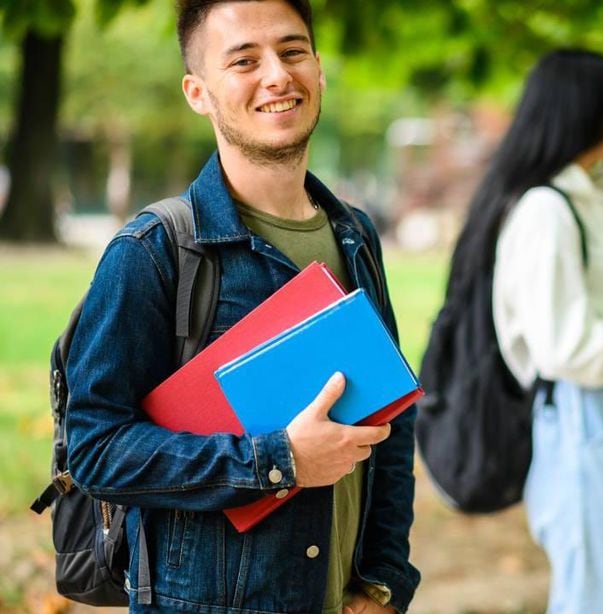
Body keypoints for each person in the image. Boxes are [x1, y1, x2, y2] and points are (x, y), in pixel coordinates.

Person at [64, 1, 419, 612]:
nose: (277, 75)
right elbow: (95, 450)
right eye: (244, 61)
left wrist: (385, 580)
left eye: (292, 50)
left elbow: (393, 421)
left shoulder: (355, 234)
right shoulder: (152, 251)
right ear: (198, 92)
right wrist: (277, 461)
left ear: (319, 69)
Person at [446, 48, 603, 613]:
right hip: (587, 415)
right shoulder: (546, 210)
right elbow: (568, 348)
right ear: (587, 112)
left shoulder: (578, 199)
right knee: (601, 598)